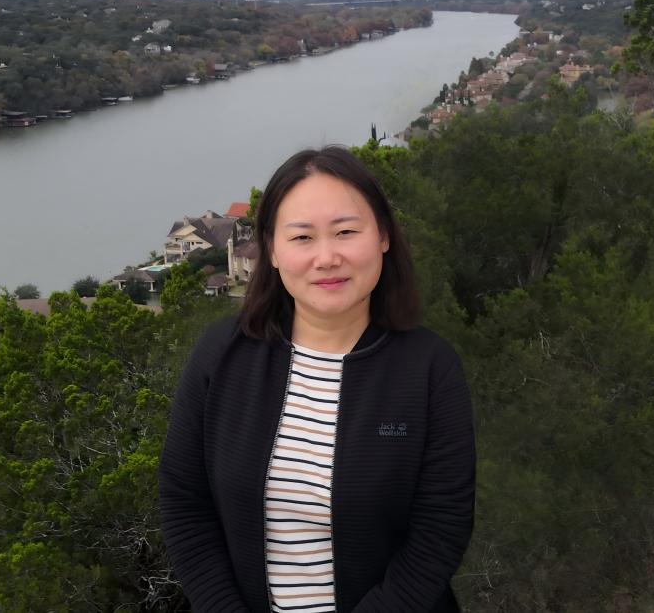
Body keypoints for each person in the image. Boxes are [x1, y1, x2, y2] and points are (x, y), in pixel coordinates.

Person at [159, 146, 475, 612]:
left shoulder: (429, 369)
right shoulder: (221, 355)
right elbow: (185, 504)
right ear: (272, 250)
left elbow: (440, 530)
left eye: (346, 232)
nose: (327, 258)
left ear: (383, 236)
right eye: (303, 237)